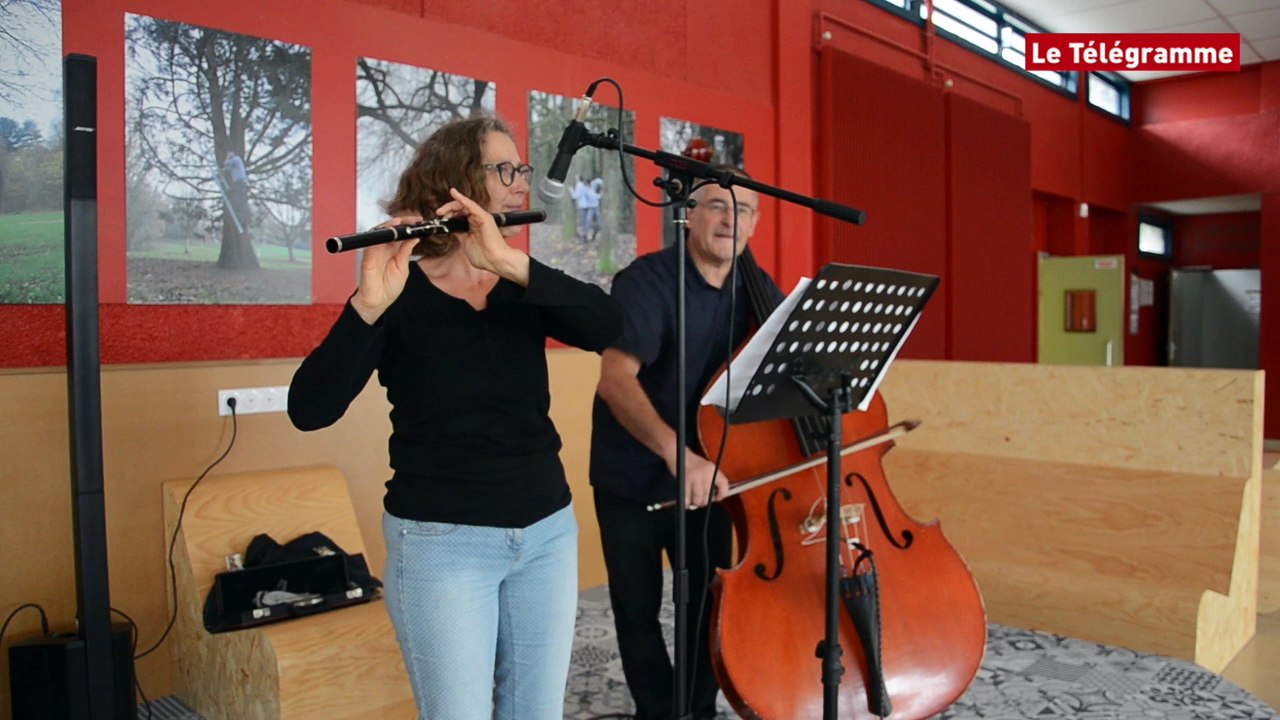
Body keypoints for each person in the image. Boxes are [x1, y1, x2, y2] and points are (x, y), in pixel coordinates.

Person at [288, 116, 622, 720]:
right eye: (506, 170)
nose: (522, 183)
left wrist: (511, 264)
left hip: (546, 532)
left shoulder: (521, 283)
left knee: (535, 713)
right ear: (458, 183)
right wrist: (367, 306)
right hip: (442, 544)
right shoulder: (397, 289)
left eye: (520, 168)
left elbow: (609, 326)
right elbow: (310, 410)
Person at [589, 168, 782, 720]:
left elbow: (774, 375)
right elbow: (614, 380)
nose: (731, 220)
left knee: (705, 606)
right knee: (637, 609)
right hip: (632, 475)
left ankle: (695, 711)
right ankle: (656, 710)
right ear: (688, 214)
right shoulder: (647, 282)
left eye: (744, 210)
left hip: (712, 479)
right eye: (718, 206)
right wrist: (677, 452)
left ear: (756, 222)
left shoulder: (757, 288)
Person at [222, 149, 251, 231]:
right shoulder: (235, 163)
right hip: (241, 183)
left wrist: (228, 156)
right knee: (240, 201)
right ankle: (243, 223)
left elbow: (226, 163)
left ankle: (240, 218)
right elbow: (227, 168)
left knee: (237, 199)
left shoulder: (236, 159)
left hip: (240, 183)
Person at [570, 173, 602, 242]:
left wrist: (571, 190)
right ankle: (585, 236)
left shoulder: (584, 185)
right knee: (587, 221)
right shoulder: (584, 187)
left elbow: (575, 196)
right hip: (589, 206)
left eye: (576, 177)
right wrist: (599, 195)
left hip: (589, 206)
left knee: (590, 222)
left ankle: (589, 235)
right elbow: (591, 196)